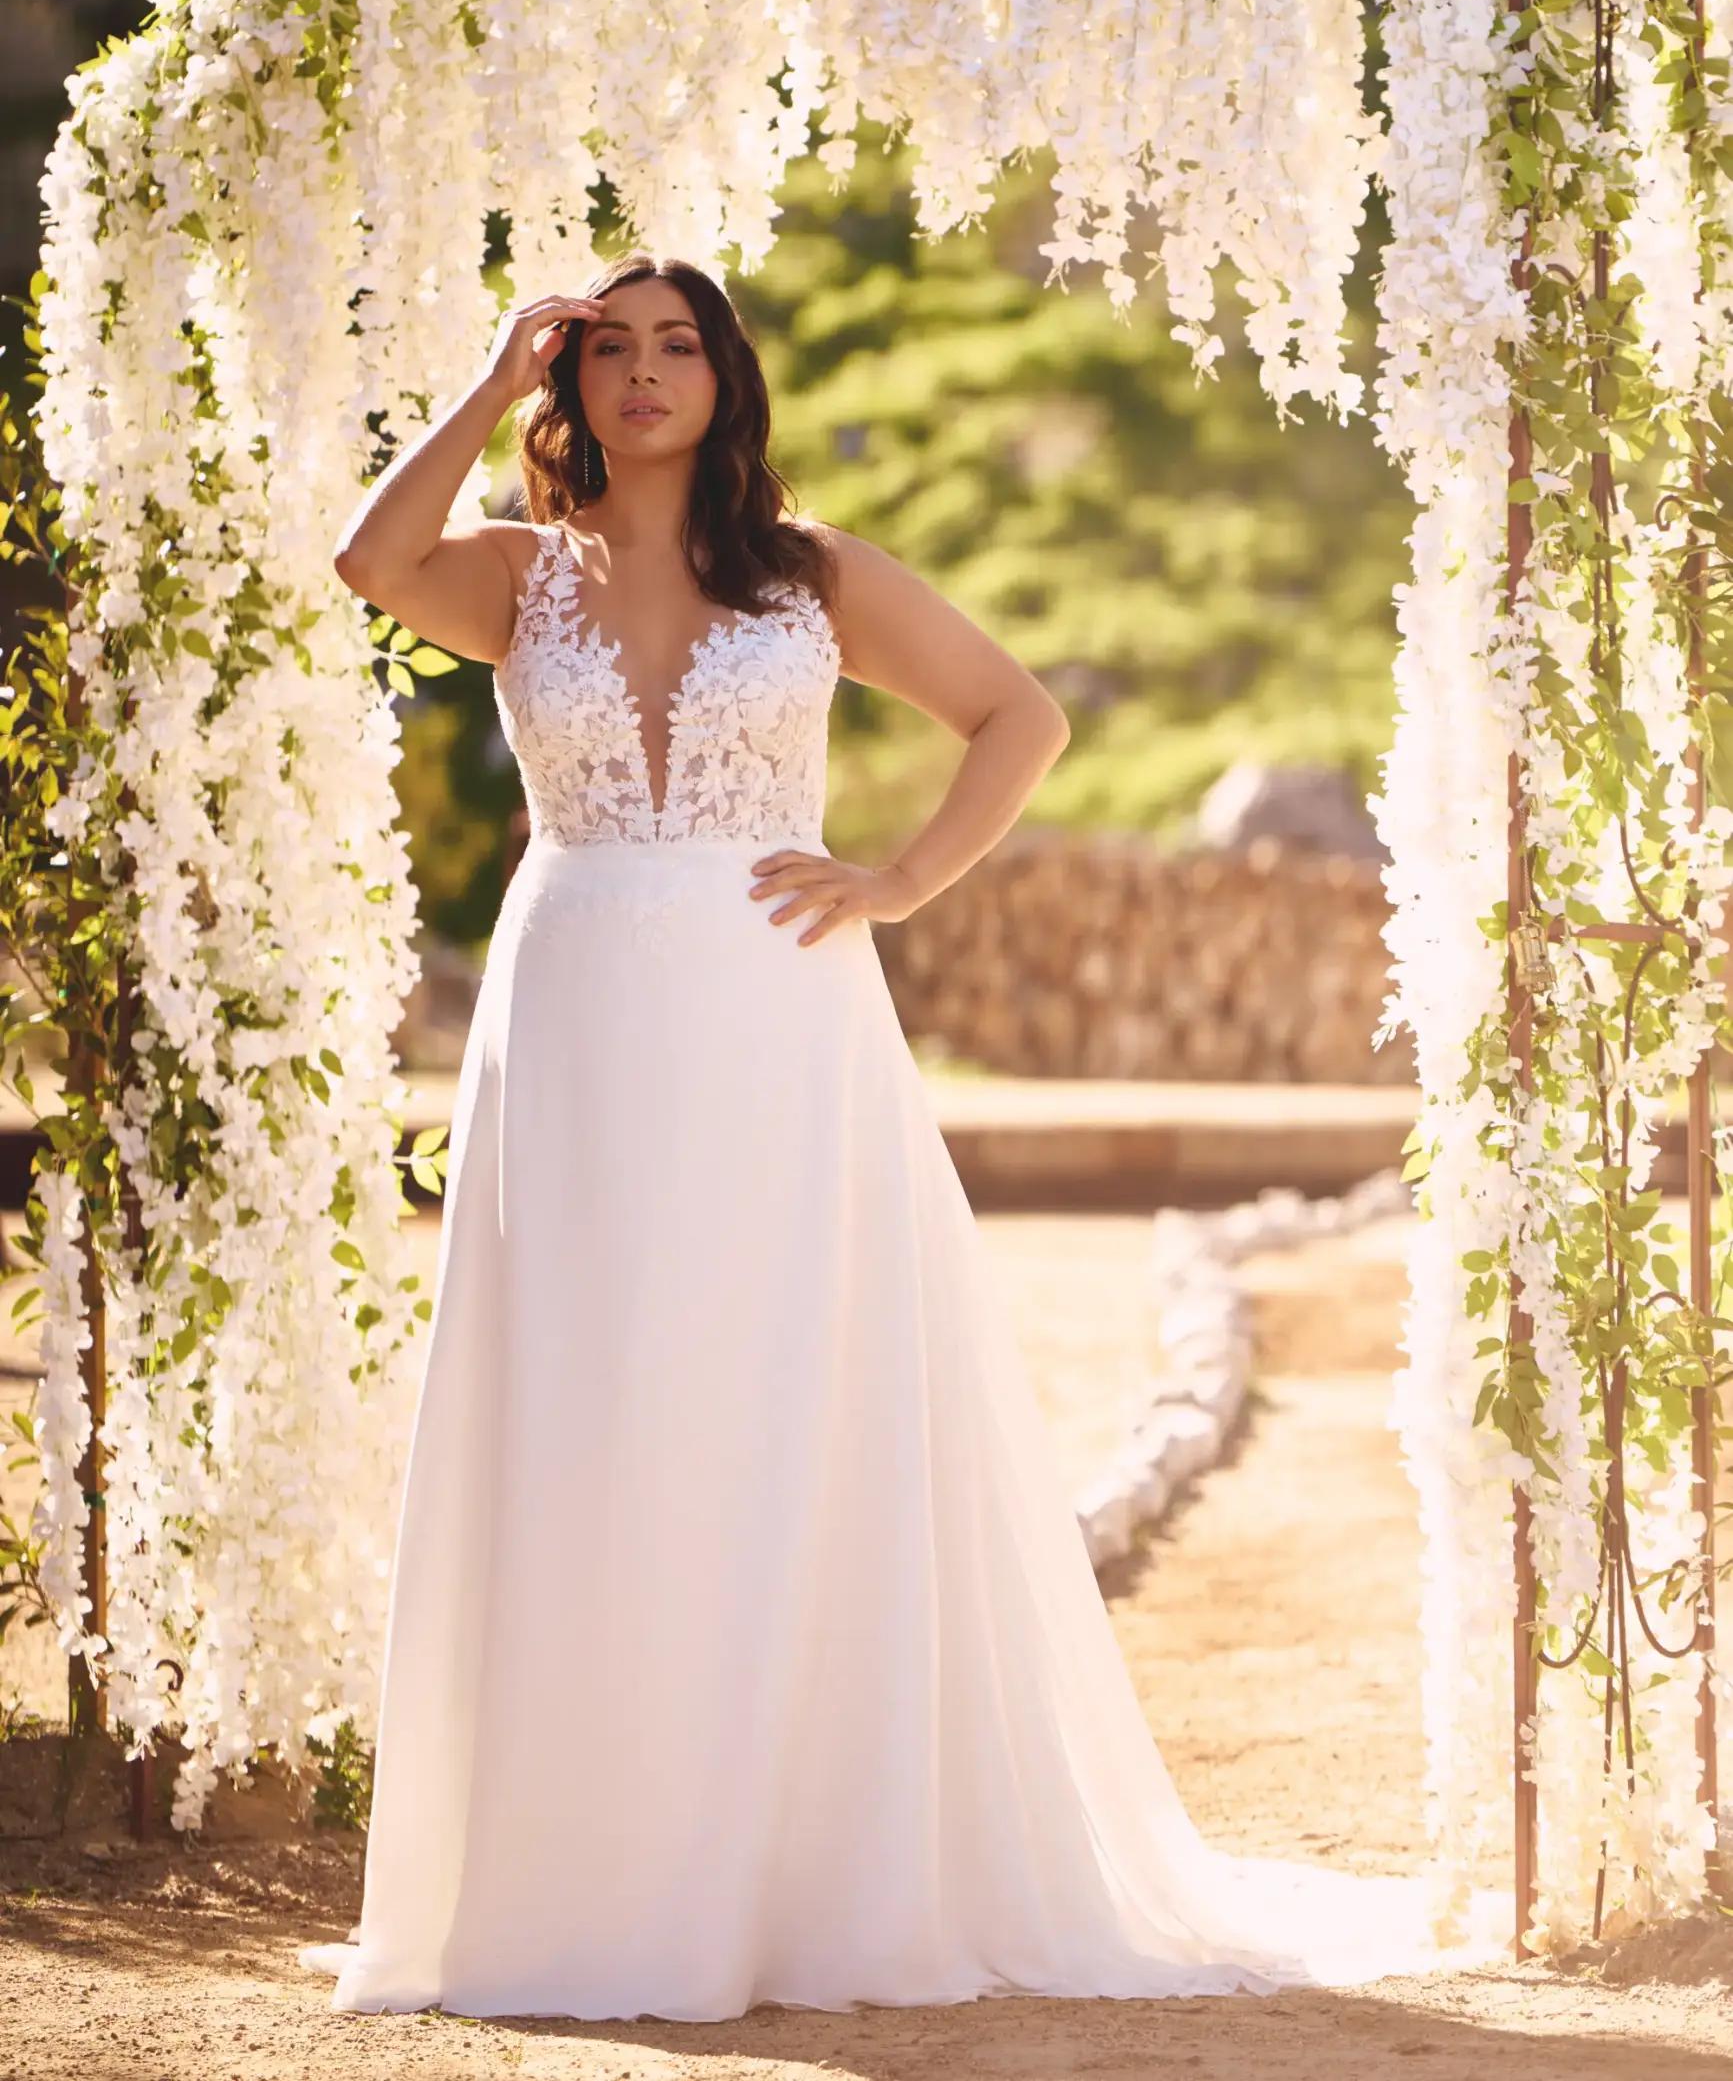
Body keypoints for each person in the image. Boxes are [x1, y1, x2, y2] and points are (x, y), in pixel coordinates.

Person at [299, 249, 1502, 2020]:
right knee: (592, 1394)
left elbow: (1022, 716)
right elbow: (364, 563)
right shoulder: (516, 579)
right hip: (571, 1027)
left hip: (777, 1015)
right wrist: (487, 382)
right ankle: (593, 1868)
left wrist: (901, 881)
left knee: (780, 1387)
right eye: (608, 350)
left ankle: (797, 1863)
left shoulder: (810, 578)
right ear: (576, 381)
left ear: (724, 378)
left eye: (675, 347)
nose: (640, 376)